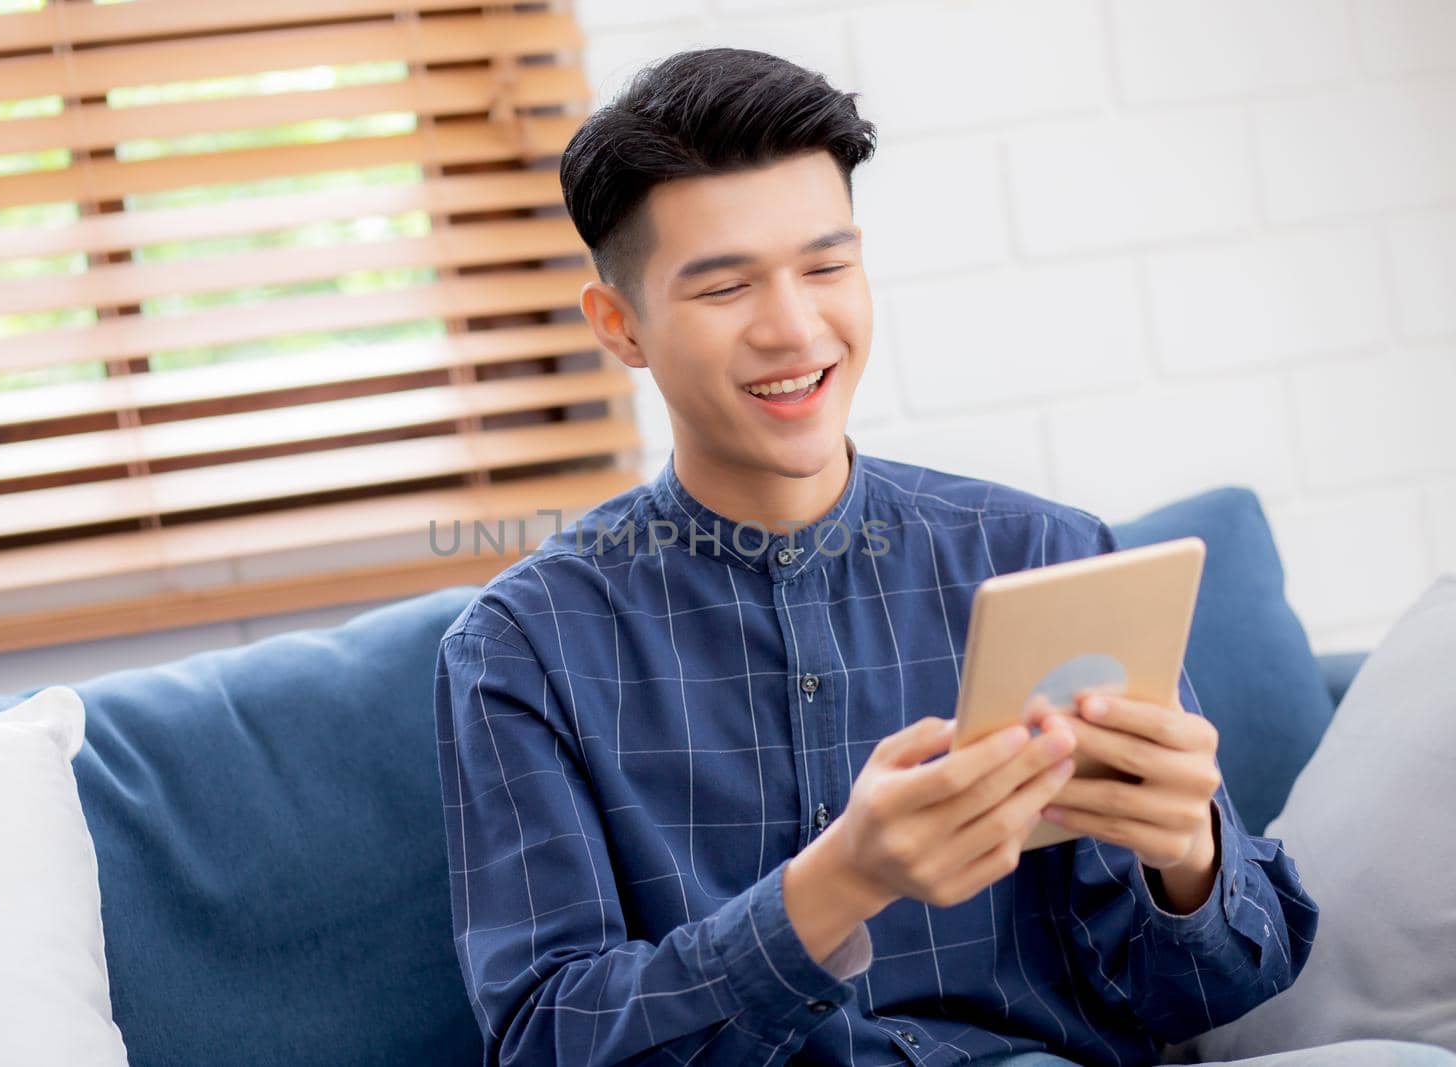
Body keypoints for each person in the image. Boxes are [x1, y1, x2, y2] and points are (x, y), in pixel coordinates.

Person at [432, 48, 1455, 1067]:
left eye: (826, 266)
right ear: (621, 326)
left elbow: (1213, 983)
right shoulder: (523, 647)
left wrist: (1185, 851)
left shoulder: (1041, 555)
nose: (793, 328)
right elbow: (545, 1039)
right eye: (725, 286)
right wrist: (836, 882)